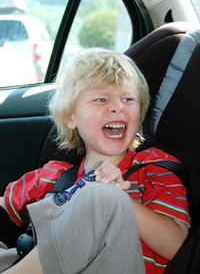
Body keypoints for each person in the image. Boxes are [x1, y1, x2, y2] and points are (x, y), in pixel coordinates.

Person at [0, 48, 190, 274]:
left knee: (100, 195)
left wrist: (119, 199)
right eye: (101, 99)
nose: (117, 106)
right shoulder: (53, 176)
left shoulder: (153, 168)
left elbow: (176, 245)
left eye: (128, 99)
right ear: (71, 117)